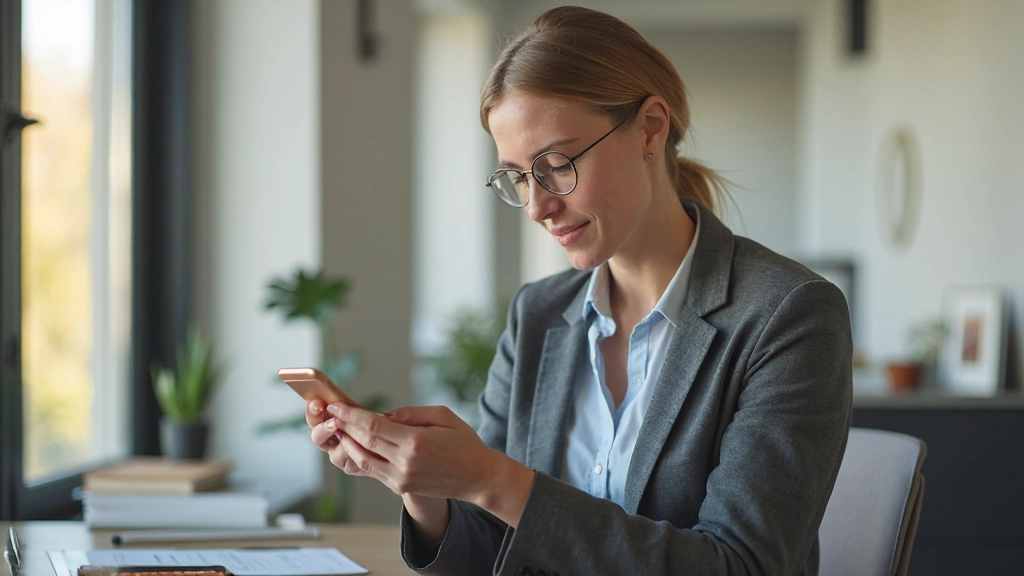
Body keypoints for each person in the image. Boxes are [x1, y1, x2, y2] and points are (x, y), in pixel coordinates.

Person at [306, 6, 851, 575]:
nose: (538, 206)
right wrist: (424, 488)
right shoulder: (538, 315)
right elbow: (490, 548)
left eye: (557, 163)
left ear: (651, 128)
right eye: (518, 175)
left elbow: (741, 567)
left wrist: (493, 479)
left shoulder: (787, 315)